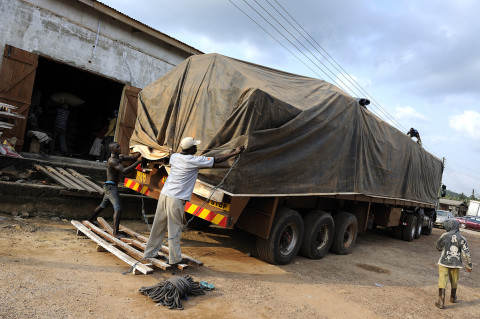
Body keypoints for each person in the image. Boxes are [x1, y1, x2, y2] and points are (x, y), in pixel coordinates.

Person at [143, 137, 244, 265]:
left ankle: (150, 252)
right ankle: (175, 259)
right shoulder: (194, 160)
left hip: (165, 194)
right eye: (195, 146)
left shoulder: (175, 157)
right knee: (174, 228)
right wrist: (235, 152)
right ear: (190, 148)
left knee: (159, 225)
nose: (197, 148)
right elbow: (217, 160)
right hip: (176, 198)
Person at [88, 142, 142, 237]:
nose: (119, 148)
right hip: (110, 187)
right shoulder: (112, 161)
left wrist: (143, 150)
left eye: (119, 146)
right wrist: (138, 162)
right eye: (117, 147)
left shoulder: (120, 157)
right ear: (112, 150)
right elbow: (124, 171)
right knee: (118, 208)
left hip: (110, 186)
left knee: (102, 205)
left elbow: (133, 157)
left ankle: (89, 220)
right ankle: (115, 233)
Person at [434, 219, 472, 309]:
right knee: (454, 281)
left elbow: (438, 246)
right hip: (456, 264)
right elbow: (467, 253)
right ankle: (452, 297)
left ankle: (441, 301)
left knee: (442, 280)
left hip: (444, 262)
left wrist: (441, 248)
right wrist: (469, 265)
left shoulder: (445, 235)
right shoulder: (462, 238)